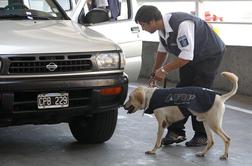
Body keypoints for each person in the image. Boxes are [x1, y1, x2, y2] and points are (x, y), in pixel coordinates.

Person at [135, 5, 225, 147]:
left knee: (198, 93)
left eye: (143, 25)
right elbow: (162, 51)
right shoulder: (162, 28)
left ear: (152, 21)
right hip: (191, 56)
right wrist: (154, 73)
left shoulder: (182, 24)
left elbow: (186, 57)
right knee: (182, 90)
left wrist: (164, 70)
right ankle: (176, 132)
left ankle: (202, 136)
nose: (143, 29)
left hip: (209, 55)